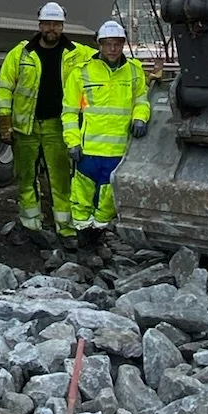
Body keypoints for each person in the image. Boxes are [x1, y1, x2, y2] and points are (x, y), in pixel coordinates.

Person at [0, 1, 87, 243]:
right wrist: (4, 121)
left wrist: (149, 75)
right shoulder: (21, 53)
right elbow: (4, 88)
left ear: (62, 26)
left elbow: (112, 61)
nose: (51, 29)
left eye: (56, 24)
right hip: (27, 127)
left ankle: (65, 229)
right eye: (47, 24)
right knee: (26, 178)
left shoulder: (77, 53)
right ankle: (30, 226)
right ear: (40, 25)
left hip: (58, 126)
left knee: (61, 179)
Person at [63, 18, 150, 254]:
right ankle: (84, 243)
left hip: (118, 151)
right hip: (88, 151)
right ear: (99, 45)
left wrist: (140, 118)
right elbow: (69, 113)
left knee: (107, 201)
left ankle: (97, 237)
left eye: (117, 44)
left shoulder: (134, 72)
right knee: (81, 199)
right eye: (107, 44)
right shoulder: (82, 73)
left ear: (123, 44)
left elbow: (141, 100)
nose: (112, 49)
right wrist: (72, 142)